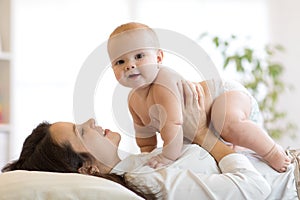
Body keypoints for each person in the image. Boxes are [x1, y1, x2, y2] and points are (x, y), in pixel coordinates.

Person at [2, 81, 279, 199]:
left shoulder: (138, 163)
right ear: (86, 168)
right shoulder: (147, 180)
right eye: (81, 132)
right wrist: (201, 136)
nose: (91, 122)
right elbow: (255, 189)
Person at [107, 22, 290, 172]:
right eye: (120, 61)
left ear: (159, 58)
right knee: (200, 149)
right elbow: (144, 135)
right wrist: (146, 155)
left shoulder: (164, 82)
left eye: (139, 56)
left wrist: (166, 157)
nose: (129, 65)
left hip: (225, 94)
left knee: (226, 123)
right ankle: (240, 148)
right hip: (205, 125)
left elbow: (174, 124)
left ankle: (273, 152)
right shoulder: (132, 100)